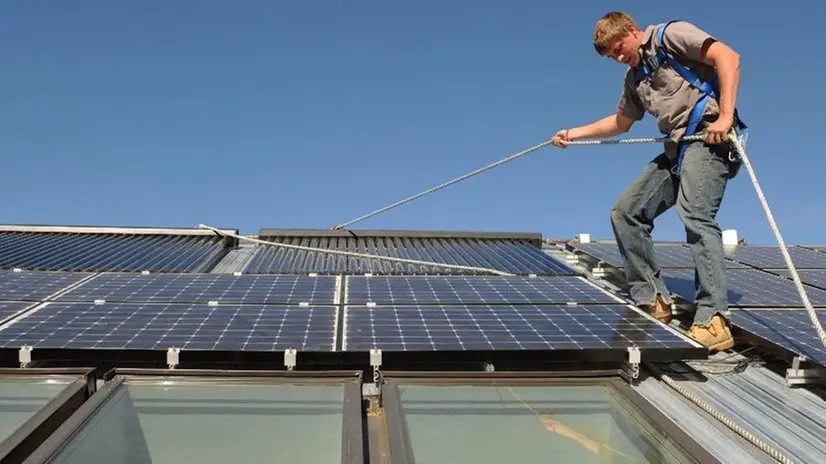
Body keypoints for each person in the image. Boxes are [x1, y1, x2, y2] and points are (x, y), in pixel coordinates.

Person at [551, 12, 744, 352]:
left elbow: (727, 57)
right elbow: (621, 121)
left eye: (618, 49)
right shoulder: (634, 78)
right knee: (626, 212)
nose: (618, 58)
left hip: (709, 138)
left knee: (695, 214)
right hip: (677, 150)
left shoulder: (671, 36)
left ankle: (715, 319)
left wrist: (726, 116)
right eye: (612, 57)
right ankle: (654, 299)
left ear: (630, 30)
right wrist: (573, 134)